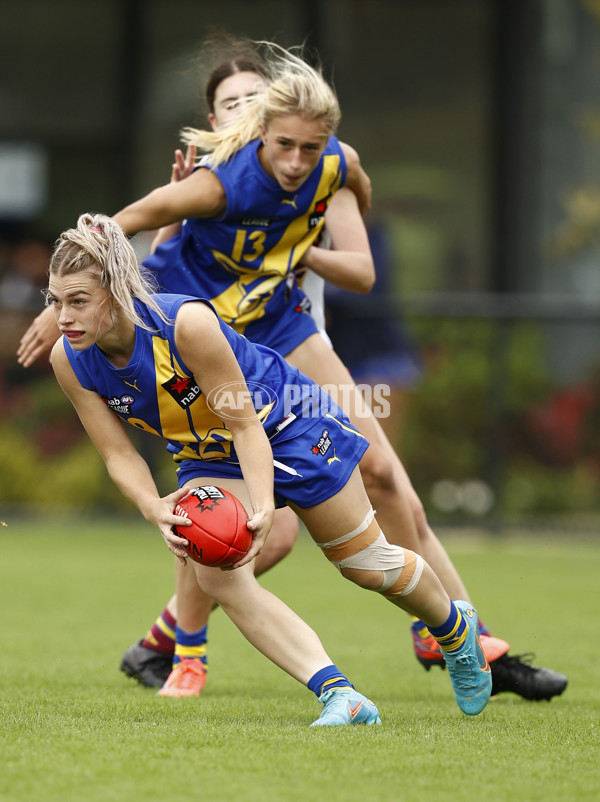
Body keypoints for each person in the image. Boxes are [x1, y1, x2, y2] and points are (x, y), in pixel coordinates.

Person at [18, 39, 567, 703]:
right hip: (211, 340)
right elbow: (124, 233)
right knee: (239, 532)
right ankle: (182, 648)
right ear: (225, 123)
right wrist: (67, 303)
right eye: (233, 104)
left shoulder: (324, 163)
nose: (250, 114)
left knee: (387, 478)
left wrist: (308, 242)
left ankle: (459, 637)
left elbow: (360, 258)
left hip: (280, 329)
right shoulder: (215, 181)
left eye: (256, 98)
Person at [47, 211, 493, 724]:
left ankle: (456, 631)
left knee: (365, 565)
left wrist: (261, 508)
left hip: (287, 423)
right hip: (205, 455)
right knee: (219, 579)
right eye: (55, 301)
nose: (64, 316)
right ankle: (339, 696)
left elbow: (244, 425)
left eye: (78, 301)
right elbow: (119, 453)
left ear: (119, 291)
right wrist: (153, 505)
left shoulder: (185, 325)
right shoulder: (69, 359)